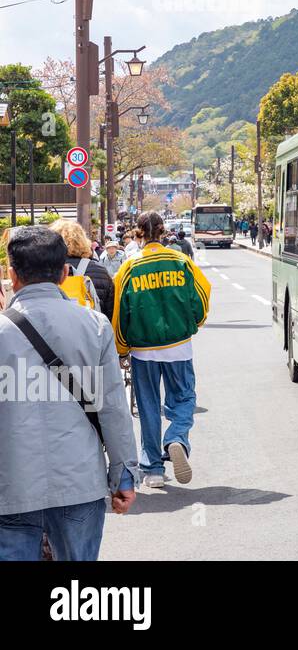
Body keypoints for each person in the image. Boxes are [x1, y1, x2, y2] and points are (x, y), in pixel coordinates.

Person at [0, 227, 139, 560]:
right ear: (64, 273)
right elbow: (113, 409)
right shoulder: (94, 326)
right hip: (78, 483)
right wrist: (123, 474)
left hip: (11, 484)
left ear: (12, 274)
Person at [113, 211, 212, 489]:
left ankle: (153, 469)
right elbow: (202, 298)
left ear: (138, 233)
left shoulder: (129, 267)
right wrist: (192, 323)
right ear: (163, 231)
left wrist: (122, 348)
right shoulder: (181, 262)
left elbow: (120, 312)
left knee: (147, 408)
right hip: (179, 347)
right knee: (183, 399)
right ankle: (177, 438)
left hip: (143, 351)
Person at [48, 219, 116, 326]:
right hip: (90, 336)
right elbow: (108, 315)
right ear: (83, 240)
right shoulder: (100, 272)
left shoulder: (44, 271)